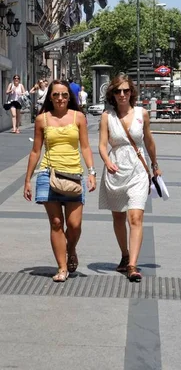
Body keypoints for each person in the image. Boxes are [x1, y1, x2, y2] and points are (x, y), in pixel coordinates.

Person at [23, 80, 97, 282]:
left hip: (73, 175)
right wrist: (28, 180)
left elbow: (85, 147)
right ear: (50, 97)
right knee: (56, 223)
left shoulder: (78, 117)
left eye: (64, 94)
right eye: (55, 95)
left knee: (74, 225)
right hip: (48, 173)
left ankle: (70, 248)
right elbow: (36, 151)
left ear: (69, 96)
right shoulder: (42, 119)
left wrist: (91, 172)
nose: (60, 98)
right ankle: (62, 267)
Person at [98, 74, 161, 282]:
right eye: (118, 91)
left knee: (135, 216)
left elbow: (149, 141)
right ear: (112, 94)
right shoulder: (107, 116)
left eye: (126, 90)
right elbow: (102, 144)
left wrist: (155, 165)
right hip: (116, 169)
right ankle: (124, 254)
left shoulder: (142, 113)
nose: (122, 94)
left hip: (138, 169)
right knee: (118, 217)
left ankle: (133, 265)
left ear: (131, 92)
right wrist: (107, 161)